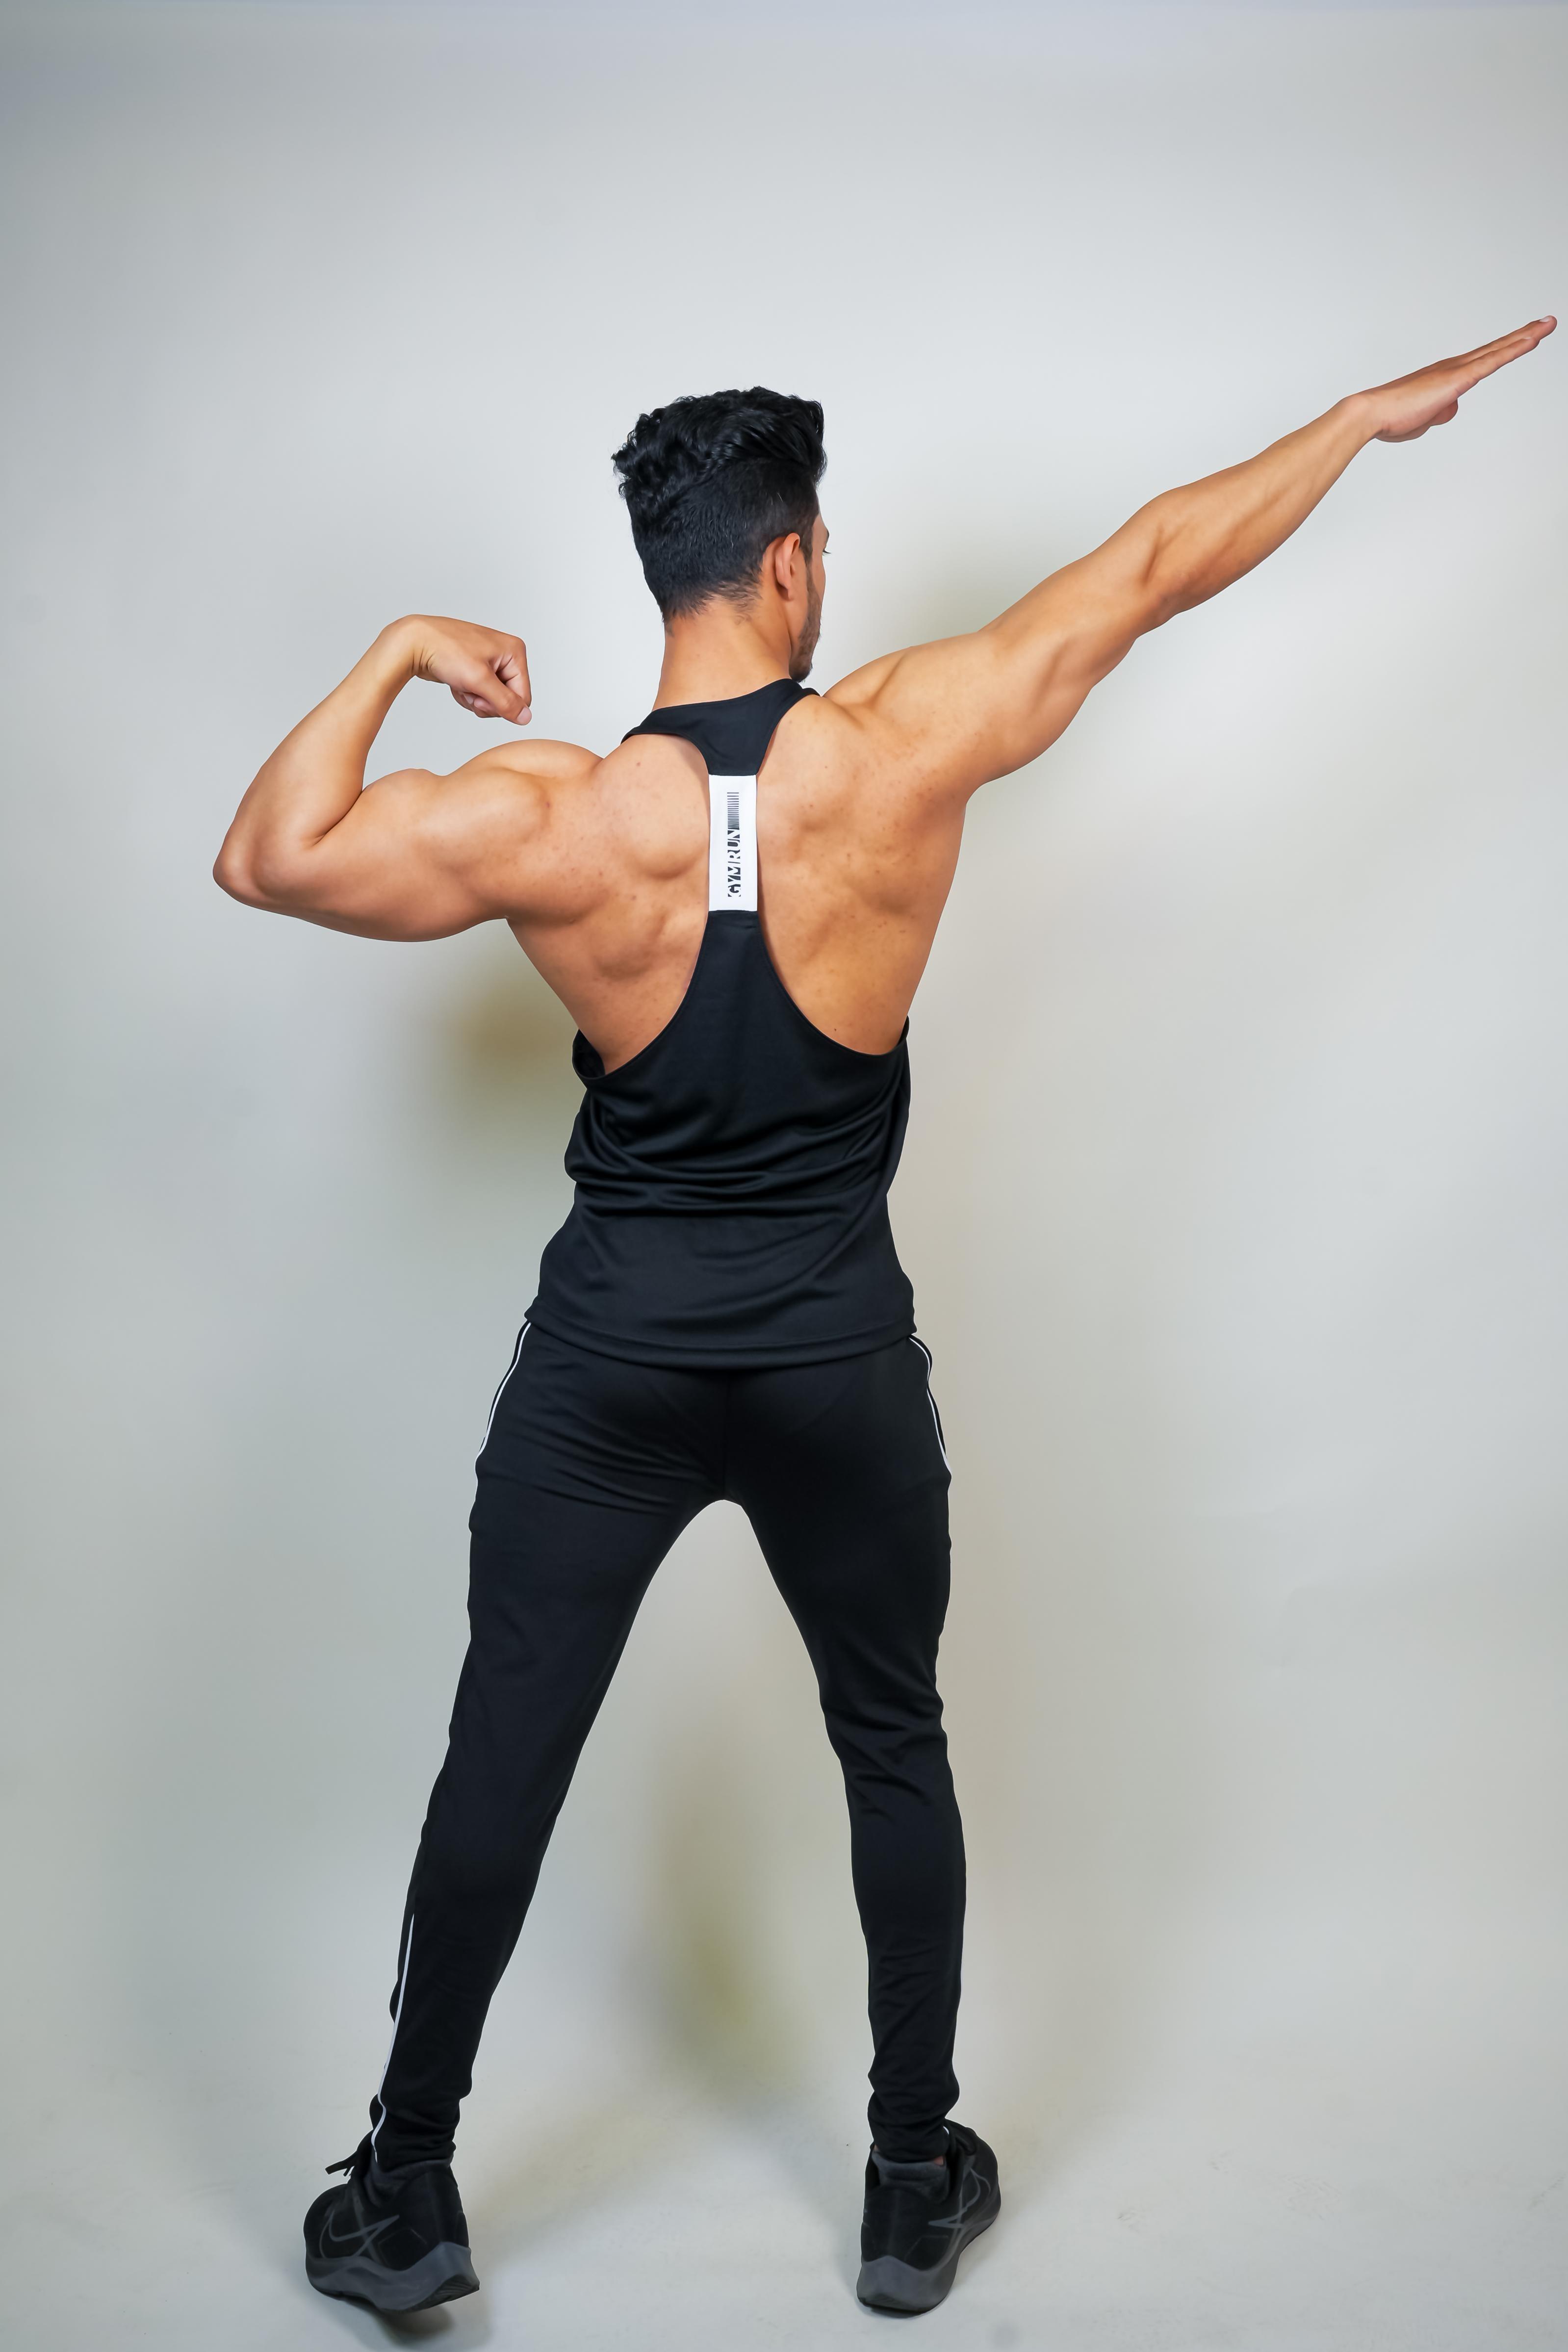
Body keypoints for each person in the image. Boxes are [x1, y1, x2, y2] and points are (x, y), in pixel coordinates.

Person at [214, 315, 1553, 2318]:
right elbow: (1150, 566)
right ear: (787, 563)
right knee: (890, 1744)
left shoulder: (551, 814)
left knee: (505, 1746)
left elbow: (269, 852)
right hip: (834, 1362)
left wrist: (405, 647)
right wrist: (1354, 424)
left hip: (607, 1371)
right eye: (820, 547)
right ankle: (912, 2182)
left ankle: (405, 2190)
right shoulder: (902, 743)